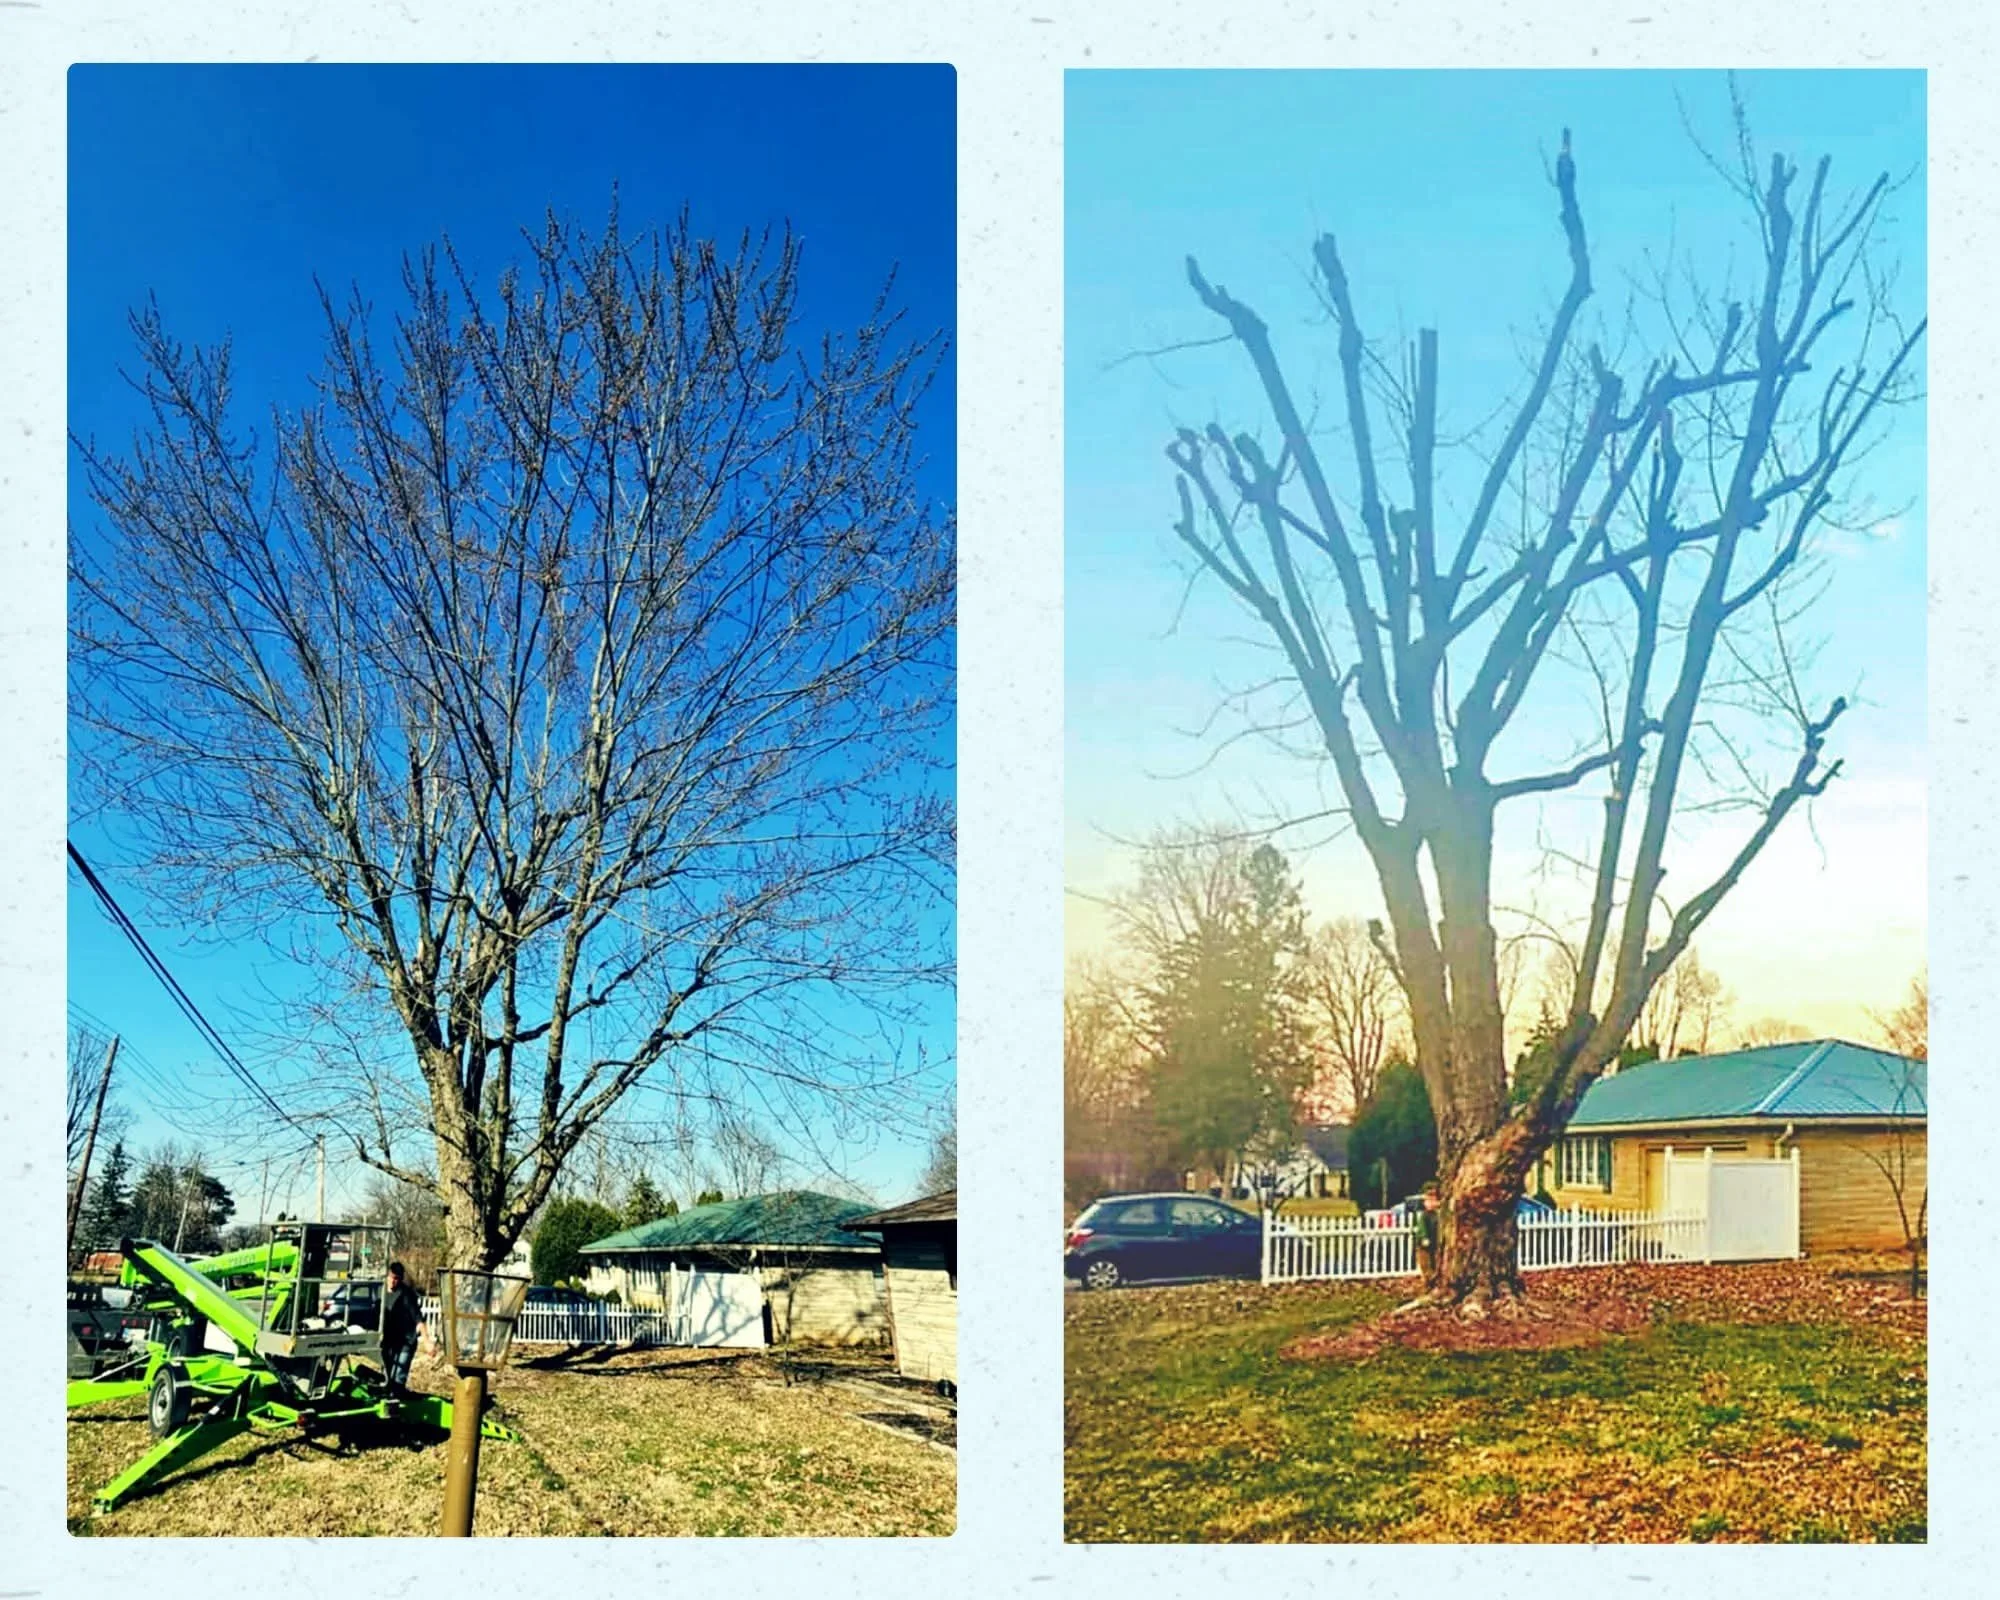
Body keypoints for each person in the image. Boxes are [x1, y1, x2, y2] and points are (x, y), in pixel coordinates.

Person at [380, 1261, 422, 1399]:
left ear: (401, 1279)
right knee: (387, 1373)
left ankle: (397, 1401)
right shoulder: (381, 1292)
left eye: (397, 1278)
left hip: (406, 1341)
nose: (393, 1281)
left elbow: (418, 1318)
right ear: (387, 1275)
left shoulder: (407, 1295)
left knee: (399, 1374)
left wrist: (426, 1339)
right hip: (389, 1340)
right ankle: (389, 1395)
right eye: (391, 1277)